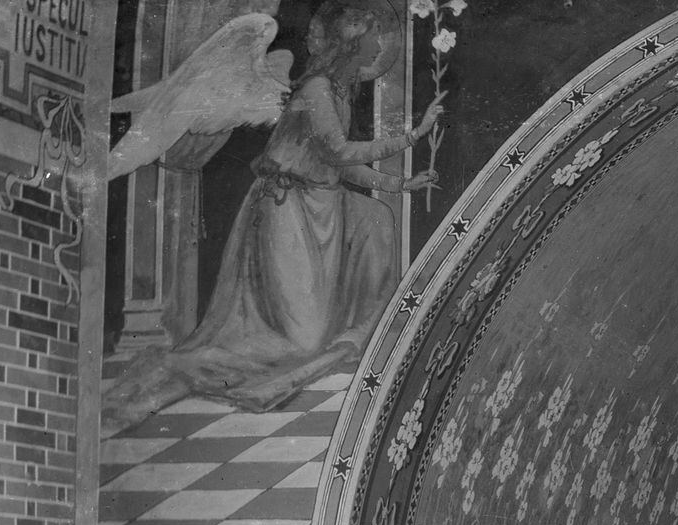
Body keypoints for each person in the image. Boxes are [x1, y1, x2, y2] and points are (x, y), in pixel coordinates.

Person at [102, 1, 444, 433]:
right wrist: (413, 135)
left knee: (375, 216)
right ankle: (187, 369)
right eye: (373, 34)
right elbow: (338, 150)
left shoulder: (340, 93)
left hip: (323, 207)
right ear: (352, 40)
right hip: (286, 208)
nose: (380, 43)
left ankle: (361, 326)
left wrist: (400, 184)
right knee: (303, 344)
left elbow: (340, 165)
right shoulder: (316, 90)